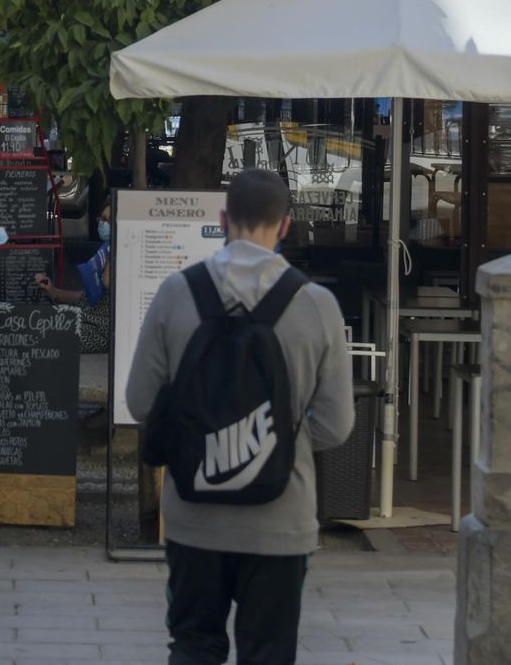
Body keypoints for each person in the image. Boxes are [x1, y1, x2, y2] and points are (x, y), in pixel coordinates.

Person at [126, 170, 353, 665]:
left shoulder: (175, 294)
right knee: (268, 654)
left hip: (192, 517)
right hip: (281, 520)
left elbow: (141, 402)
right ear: (287, 226)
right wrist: (273, 441)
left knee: (193, 646)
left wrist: (203, 436)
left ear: (223, 219)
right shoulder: (317, 305)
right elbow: (337, 424)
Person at [36, 204, 113, 354]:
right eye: (101, 218)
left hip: (100, 330)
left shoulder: (118, 253)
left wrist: (116, 246)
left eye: (106, 220)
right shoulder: (105, 250)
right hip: (83, 319)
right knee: (39, 324)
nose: (101, 223)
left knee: (48, 339)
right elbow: (85, 297)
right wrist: (54, 292)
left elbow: (107, 282)